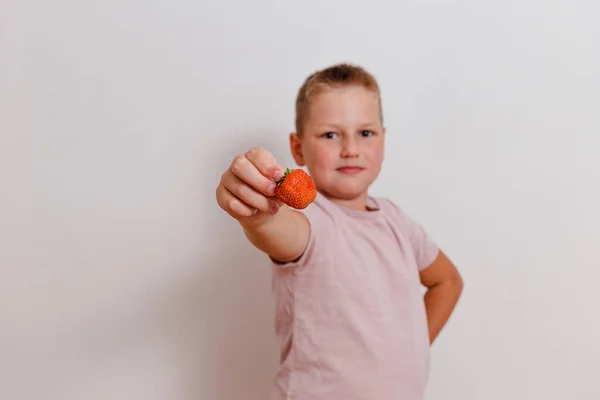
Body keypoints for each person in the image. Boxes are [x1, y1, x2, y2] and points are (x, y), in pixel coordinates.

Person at [215, 63, 464, 400]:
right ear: (298, 147)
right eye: (330, 134)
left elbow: (447, 281)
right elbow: (280, 231)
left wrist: (410, 349)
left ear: (383, 139)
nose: (350, 148)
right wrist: (259, 217)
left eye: (365, 133)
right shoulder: (312, 219)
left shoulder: (397, 222)